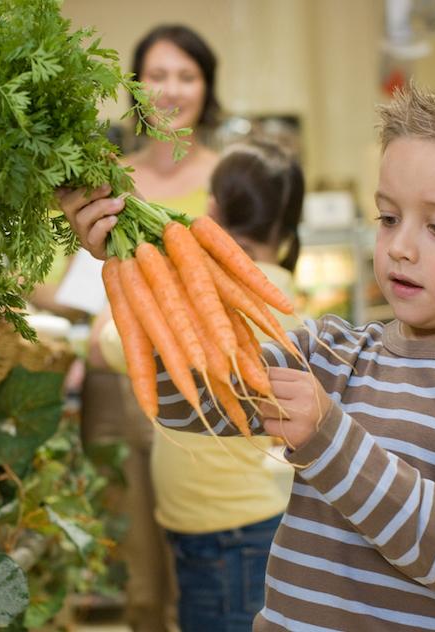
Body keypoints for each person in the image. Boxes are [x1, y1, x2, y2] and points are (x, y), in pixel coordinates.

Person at [60, 83, 435, 631]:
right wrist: (136, 262)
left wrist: (328, 435)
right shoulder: (331, 353)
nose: (401, 246)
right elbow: (184, 403)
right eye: (387, 218)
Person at [97, 140, 303, 632]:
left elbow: (107, 344)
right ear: (289, 228)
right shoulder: (280, 293)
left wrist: (122, 279)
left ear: (211, 209)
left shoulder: (201, 290)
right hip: (245, 521)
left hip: (225, 533)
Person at [77, 23, 220, 632]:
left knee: (201, 557)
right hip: (116, 379)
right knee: (134, 563)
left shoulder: (228, 176)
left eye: (186, 75)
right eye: (157, 75)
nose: (170, 89)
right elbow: (63, 279)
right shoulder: (112, 180)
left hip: (201, 377)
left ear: (207, 88)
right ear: (134, 87)